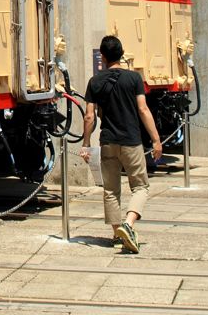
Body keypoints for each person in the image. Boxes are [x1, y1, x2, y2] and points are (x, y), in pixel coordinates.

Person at [81, 35, 162, 252]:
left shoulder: (94, 82)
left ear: (103, 57)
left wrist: (86, 144)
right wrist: (156, 140)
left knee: (110, 190)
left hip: (107, 142)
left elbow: (89, 117)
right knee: (141, 186)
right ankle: (128, 224)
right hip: (131, 141)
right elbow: (143, 110)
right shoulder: (133, 79)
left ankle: (117, 233)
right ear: (122, 53)